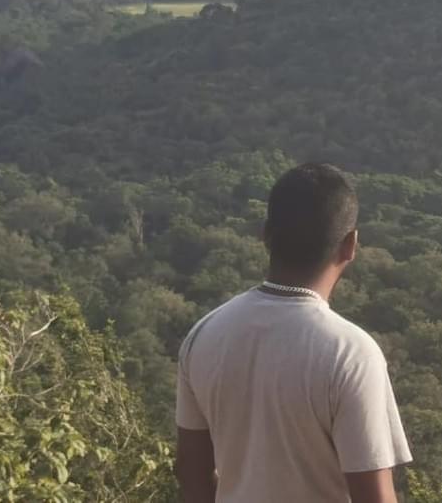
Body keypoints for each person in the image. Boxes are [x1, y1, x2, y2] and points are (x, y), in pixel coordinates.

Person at [175, 163, 412, 503]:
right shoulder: (352, 354)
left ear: (266, 235)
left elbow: (191, 472)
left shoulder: (204, 334)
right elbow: (373, 496)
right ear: (350, 245)